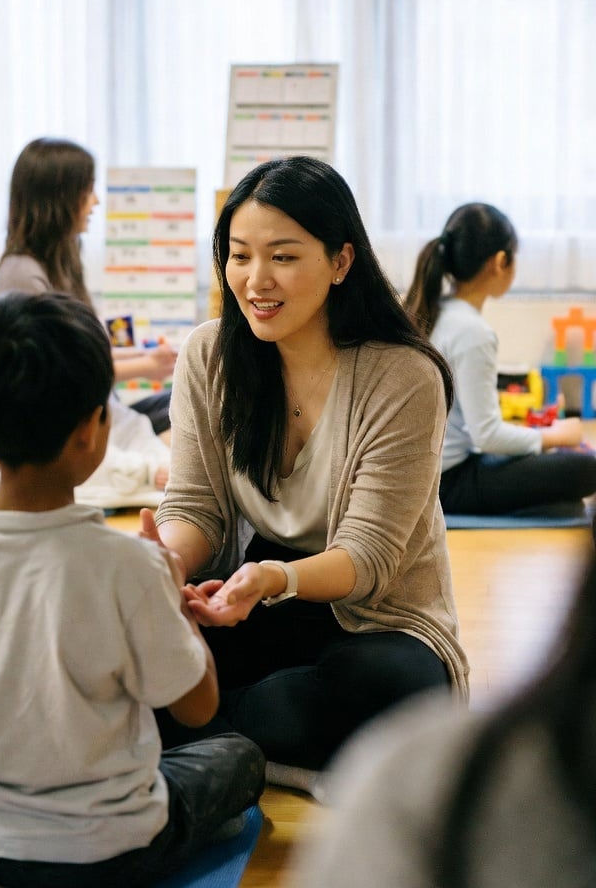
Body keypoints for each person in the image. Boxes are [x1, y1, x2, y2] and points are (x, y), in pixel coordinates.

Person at [0, 291, 264, 888]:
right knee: (238, 759)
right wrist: (177, 609)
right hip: (108, 848)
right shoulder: (129, 564)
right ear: (89, 431)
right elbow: (196, 706)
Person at [140, 155, 469, 791]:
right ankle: (236, 737)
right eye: (239, 255)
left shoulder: (403, 376)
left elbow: (368, 559)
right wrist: (164, 566)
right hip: (248, 596)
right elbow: (195, 507)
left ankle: (203, 733)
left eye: (283, 257)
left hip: (374, 616)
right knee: (121, 658)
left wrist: (272, 579)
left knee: (385, 696)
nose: (256, 279)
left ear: (341, 262)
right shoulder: (209, 355)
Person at [288, 525, 596, 888]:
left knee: (400, 685)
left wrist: (274, 578)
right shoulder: (427, 779)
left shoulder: (420, 772)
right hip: (278, 608)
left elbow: (368, 557)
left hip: (359, 616)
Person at [0, 136, 176, 498]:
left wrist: (150, 360)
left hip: (98, 409)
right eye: (88, 191)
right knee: (174, 428)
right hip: (61, 423)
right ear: (59, 198)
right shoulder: (23, 276)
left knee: (183, 404)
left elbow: (86, 349)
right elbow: (63, 372)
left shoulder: (59, 264)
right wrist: (144, 366)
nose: (95, 202)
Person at [405, 202, 596, 515]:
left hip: (431, 477)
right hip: (447, 485)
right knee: (587, 468)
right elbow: (488, 435)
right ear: (500, 261)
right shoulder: (471, 331)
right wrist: (555, 435)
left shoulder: (438, 310)